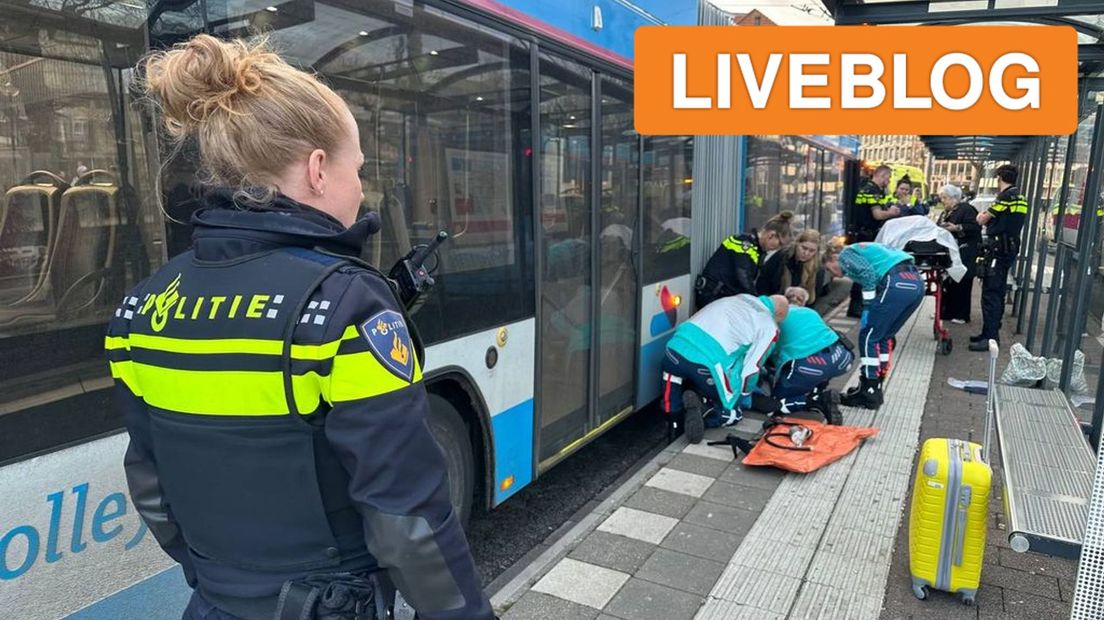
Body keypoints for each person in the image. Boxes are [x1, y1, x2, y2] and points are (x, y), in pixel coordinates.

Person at [105, 35, 492, 620]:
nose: (361, 188)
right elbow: (406, 516)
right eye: (357, 169)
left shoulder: (142, 308)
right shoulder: (346, 306)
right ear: (317, 169)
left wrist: (225, 581)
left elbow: (151, 486)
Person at [660, 294, 789, 443]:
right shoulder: (769, 327)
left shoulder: (739, 297)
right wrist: (744, 395)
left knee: (672, 378)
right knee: (733, 410)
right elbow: (751, 370)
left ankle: (673, 425)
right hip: (705, 365)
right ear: (778, 314)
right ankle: (706, 411)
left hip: (674, 348)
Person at [838, 242, 925, 410]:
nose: (836, 273)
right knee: (884, 336)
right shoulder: (870, 249)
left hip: (897, 282)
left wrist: (867, 307)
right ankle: (877, 383)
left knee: (868, 335)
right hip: (916, 283)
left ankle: (869, 390)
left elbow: (868, 275)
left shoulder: (845, 254)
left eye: (829, 268)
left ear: (833, 258)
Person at [761, 305, 853, 425]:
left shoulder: (770, 319)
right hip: (842, 357)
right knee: (808, 376)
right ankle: (816, 388)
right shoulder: (808, 311)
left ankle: (818, 401)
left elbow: (764, 354)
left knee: (774, 405)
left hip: (811, 365)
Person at [970, 164, 1027, 351]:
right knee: (998, 291)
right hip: (1009, 249)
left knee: (991, 294)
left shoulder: (1005, 197)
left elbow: (982, 219)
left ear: (999, 178)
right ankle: (989, 333)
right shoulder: (1021, 197)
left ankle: (990, 337)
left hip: (998, 250)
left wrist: (982, 215)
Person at [694, 211, 793, 310]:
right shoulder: (743, 243)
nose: (777, 248)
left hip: (724, 297)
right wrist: (756, 300)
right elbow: (743, 275)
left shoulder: (757, 249)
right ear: (771, 235)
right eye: (779, 243)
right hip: (713, 295)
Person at [847, 165, 896, 316]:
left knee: (862, 270)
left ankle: (856, 306)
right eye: (887, 178)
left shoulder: (865, 187)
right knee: (865, 271)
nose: (888, 181)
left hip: (862, 234)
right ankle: (857, 307)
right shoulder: (872, 190)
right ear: (881, 175)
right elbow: (877, 215)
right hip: (867, 236)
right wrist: (891, 212)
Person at [935, 184, 981, 324]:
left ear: (954, 198)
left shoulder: (966, 209)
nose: (943, 201)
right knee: (950, 283)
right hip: (953, 252)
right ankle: (947, 312)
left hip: (965, 252)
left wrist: (957, 228)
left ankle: (961, 314)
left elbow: (974, 227)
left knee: (962, 283)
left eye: (945, 198)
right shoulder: (948, 211)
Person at [757, 229, 822, 305]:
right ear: (797, 244)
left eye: (812, 251)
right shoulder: (781, 257)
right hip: (773, 303)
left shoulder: (817, 268)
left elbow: (815, 296)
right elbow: (763, 280)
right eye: (804, 248)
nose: (806, 253)